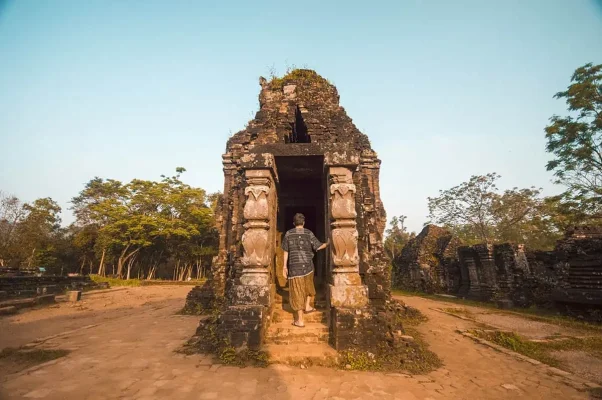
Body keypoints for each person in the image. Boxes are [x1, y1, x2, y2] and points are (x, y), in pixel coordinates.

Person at [282, 213, 329, 327]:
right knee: (308, 286)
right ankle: (307, 306)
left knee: (297, 292)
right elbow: (318, 246)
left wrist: (284, 266)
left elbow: (286, 251)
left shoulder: (288, 234)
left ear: (294, 223)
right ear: (303, 223)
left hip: (295, 268)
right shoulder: (308, 233)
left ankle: (300, 320)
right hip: (308, 266)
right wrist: (328, 243)